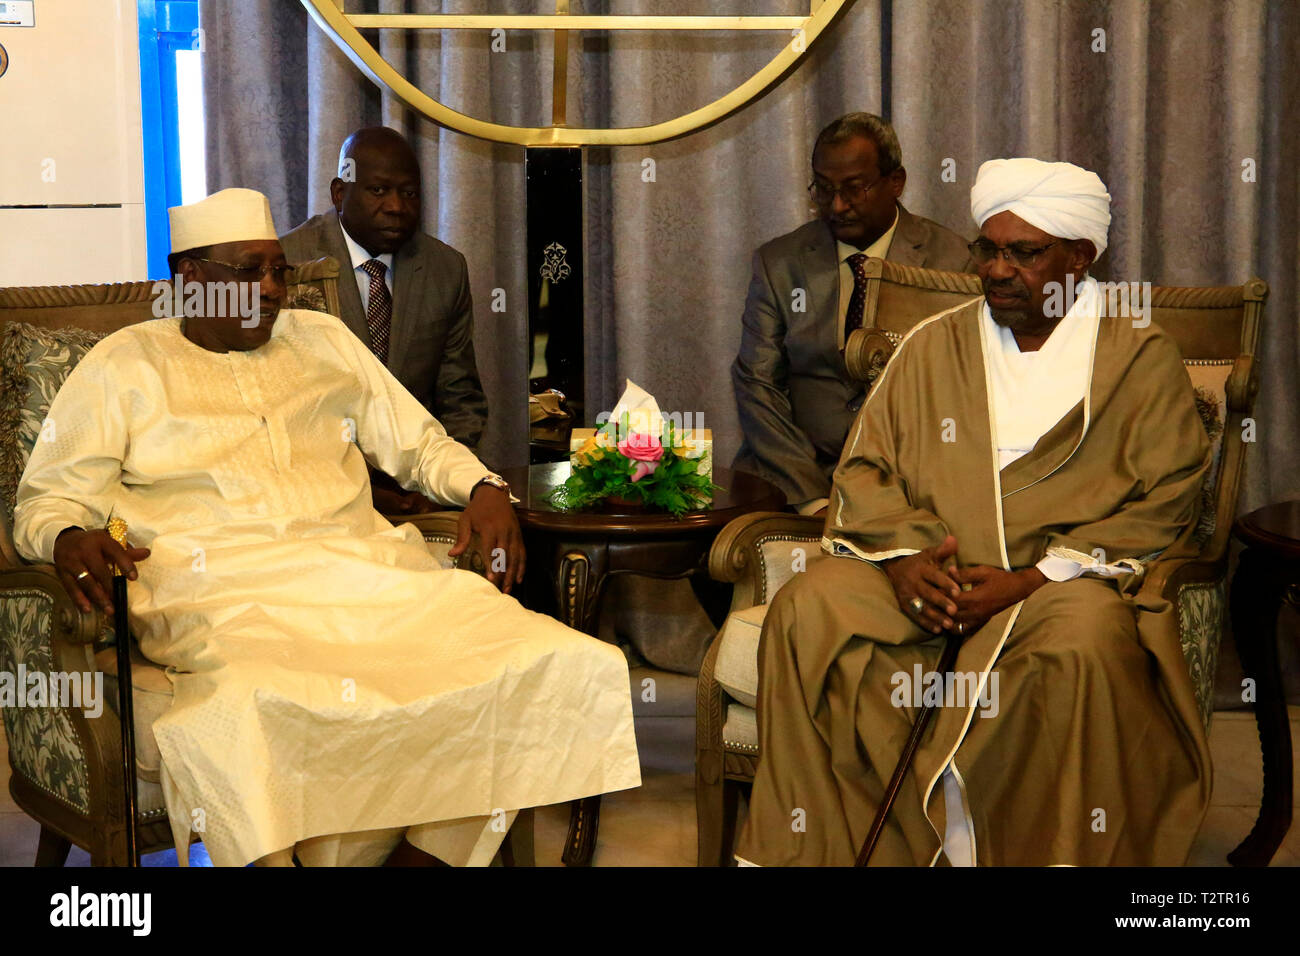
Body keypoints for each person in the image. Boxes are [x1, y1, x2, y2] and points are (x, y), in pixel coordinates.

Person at [14, 188, 640, 867]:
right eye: (247, 271)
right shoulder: (124, 365)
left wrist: (483, 486)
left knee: (546, 657)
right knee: (252, 702)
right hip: (219, 593)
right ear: (190, 279)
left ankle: (424, 859)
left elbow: (419, 444)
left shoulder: (324, 341)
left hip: (365, 572)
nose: (274, 289)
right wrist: (64, 536)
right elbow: (45, 499)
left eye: (279, 269)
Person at [735, 159, 1212, 866]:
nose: (996, 270)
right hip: (934, 567)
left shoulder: (1136, 356)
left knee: (1082, 645)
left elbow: (1169, 495)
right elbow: (865, 469)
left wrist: (1031, 579)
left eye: (1023, 252)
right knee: (811, 606)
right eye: (987, 249)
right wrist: (904, 561)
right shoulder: (934, 344)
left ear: (1079, 257)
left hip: (1056, 584)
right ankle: (823, 849)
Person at [732, 112, 974, 515]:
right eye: (823, 189)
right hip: (796, 475)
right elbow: (757, 385)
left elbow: (961, 393)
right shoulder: (780, 263)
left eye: (854, 188)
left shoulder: (953, 262)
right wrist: (814, 499)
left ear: (895, 183)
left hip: (908, 477)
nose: (837, 206)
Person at [280, 126, 488, 515]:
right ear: (339, 194)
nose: (396, 206)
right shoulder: (285, 265)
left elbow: (460, 397)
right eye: (378, 191)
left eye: (409, 193)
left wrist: (448, 485)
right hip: (319, 488)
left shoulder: (446, 268)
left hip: (419, 485)